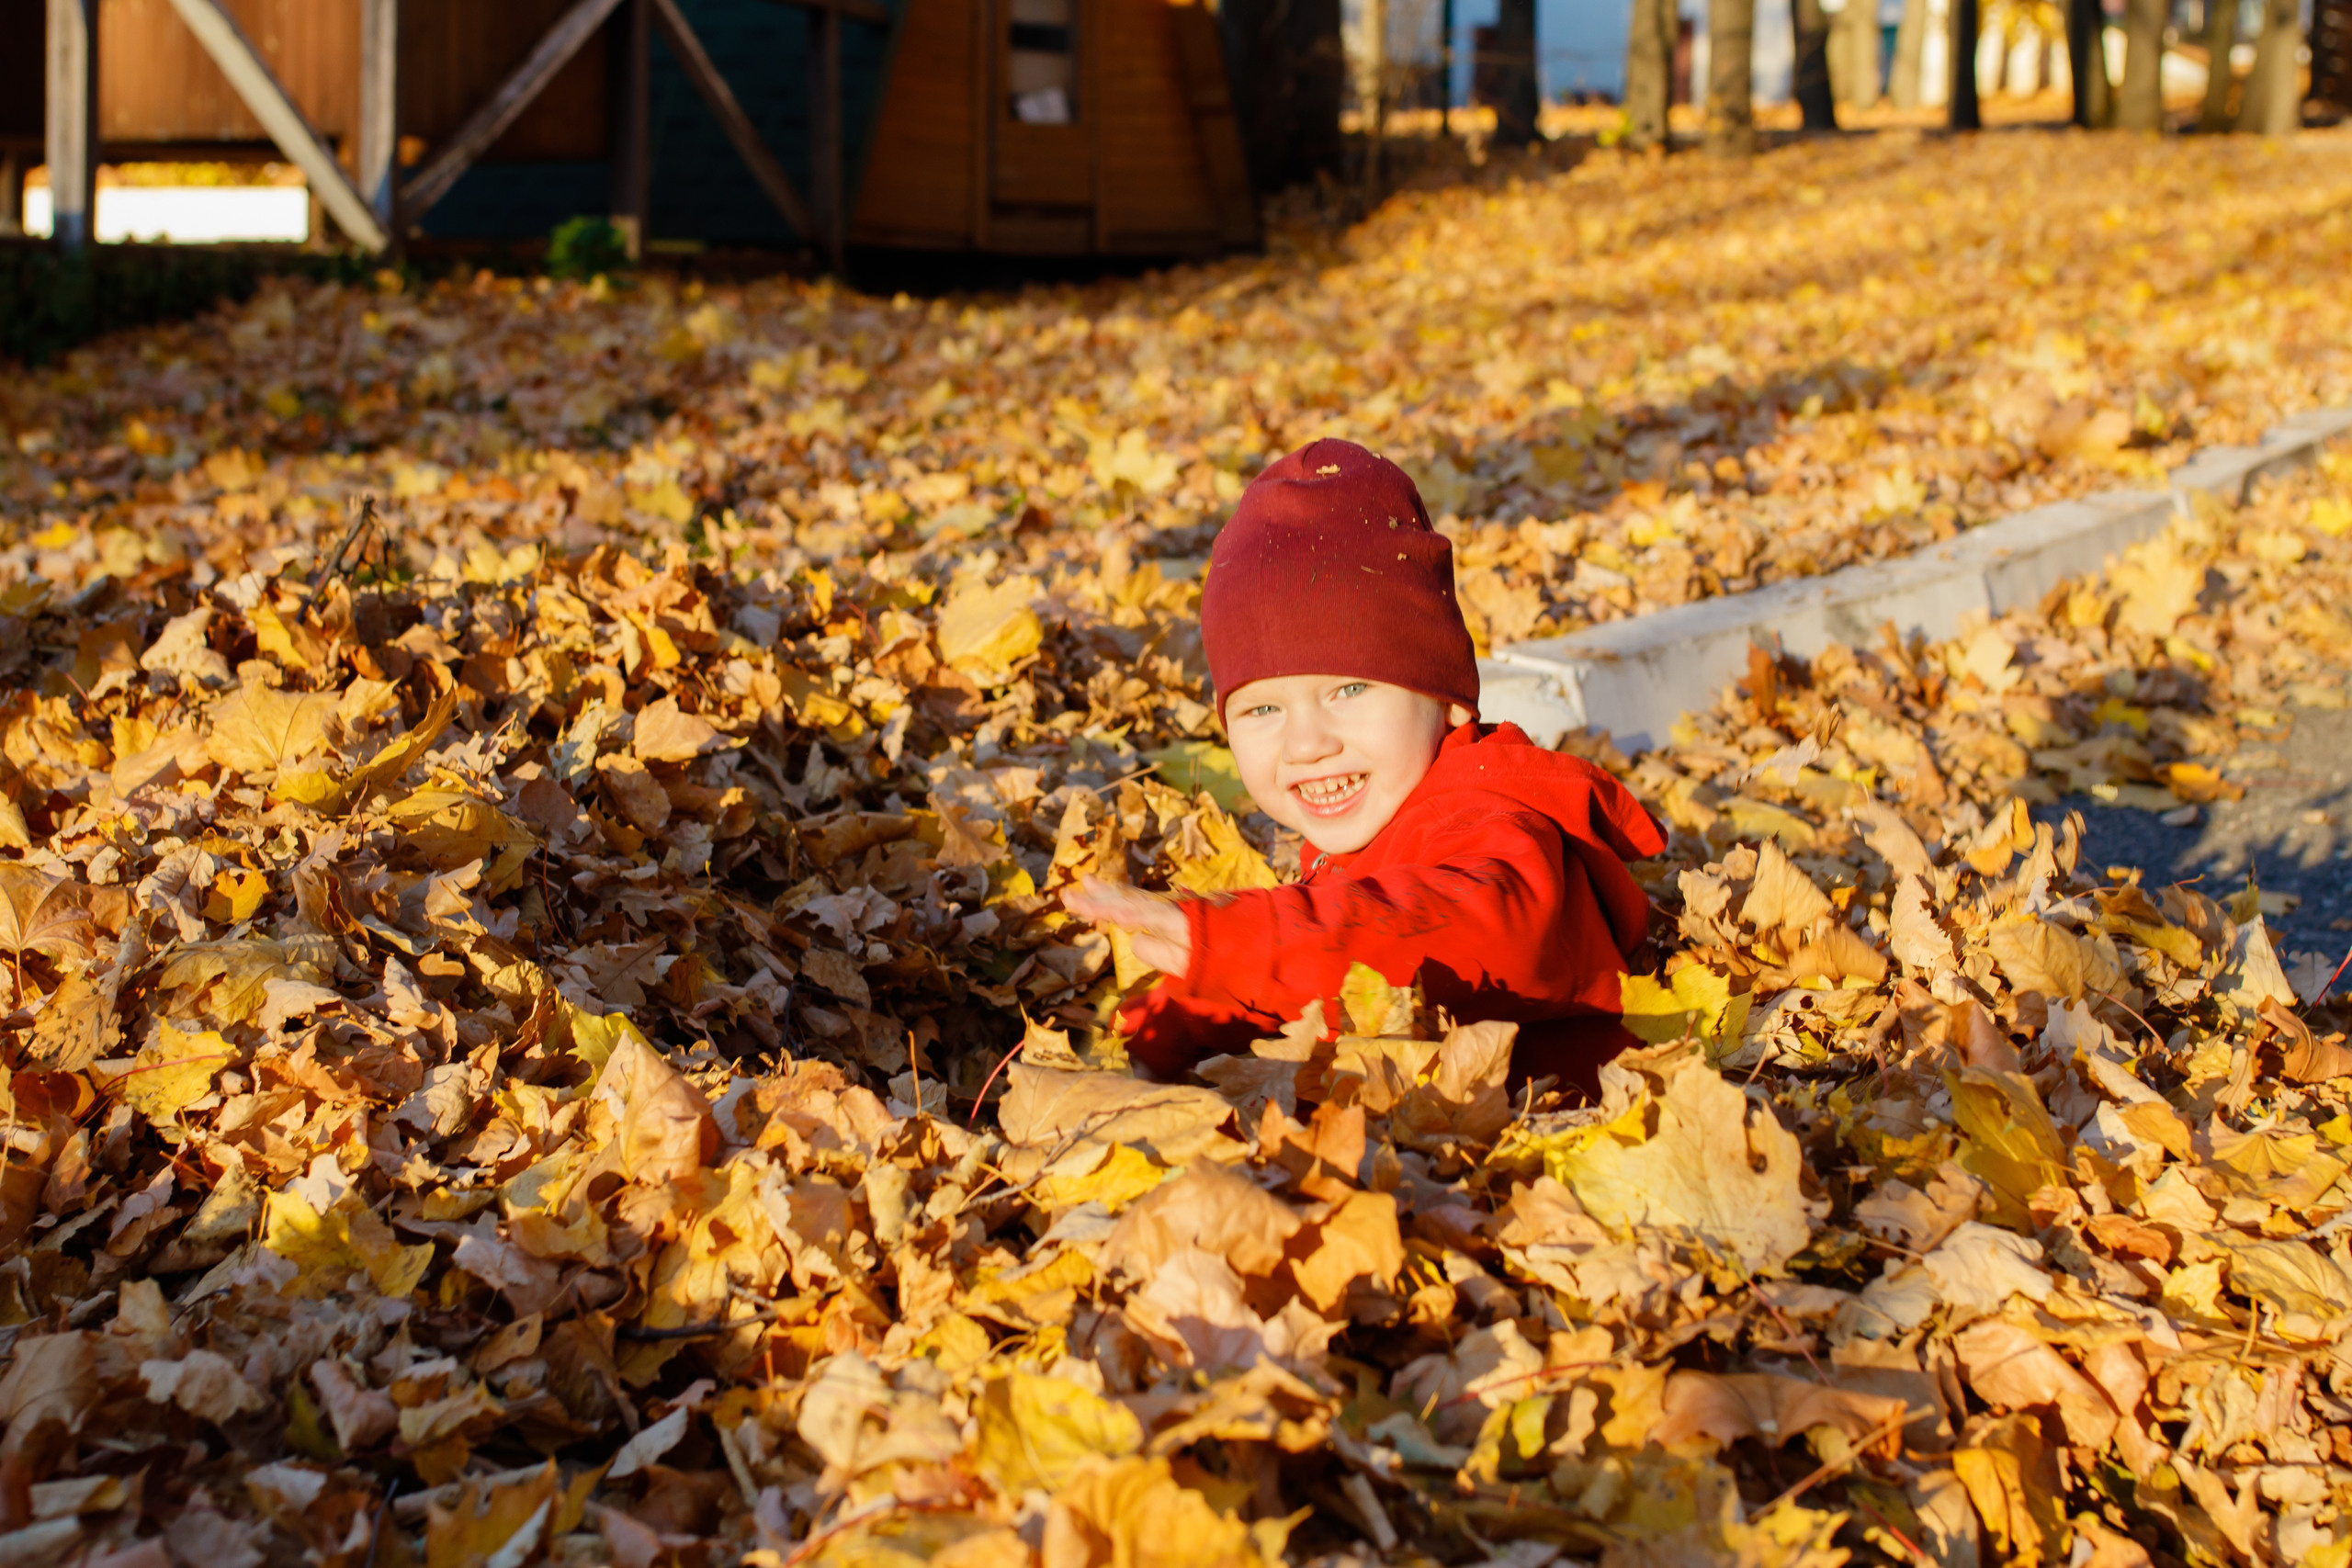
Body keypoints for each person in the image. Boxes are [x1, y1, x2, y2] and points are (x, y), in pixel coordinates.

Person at [1064, 438, 1667, 1099]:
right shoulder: (1364, 828)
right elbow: (1330, 970)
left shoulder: (1487, 820)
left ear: (1448, 701)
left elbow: (1452, 929)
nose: (1306, 743)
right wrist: (1184, 1013)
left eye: (1349, 691)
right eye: (1263, 707)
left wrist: (1245, 942)